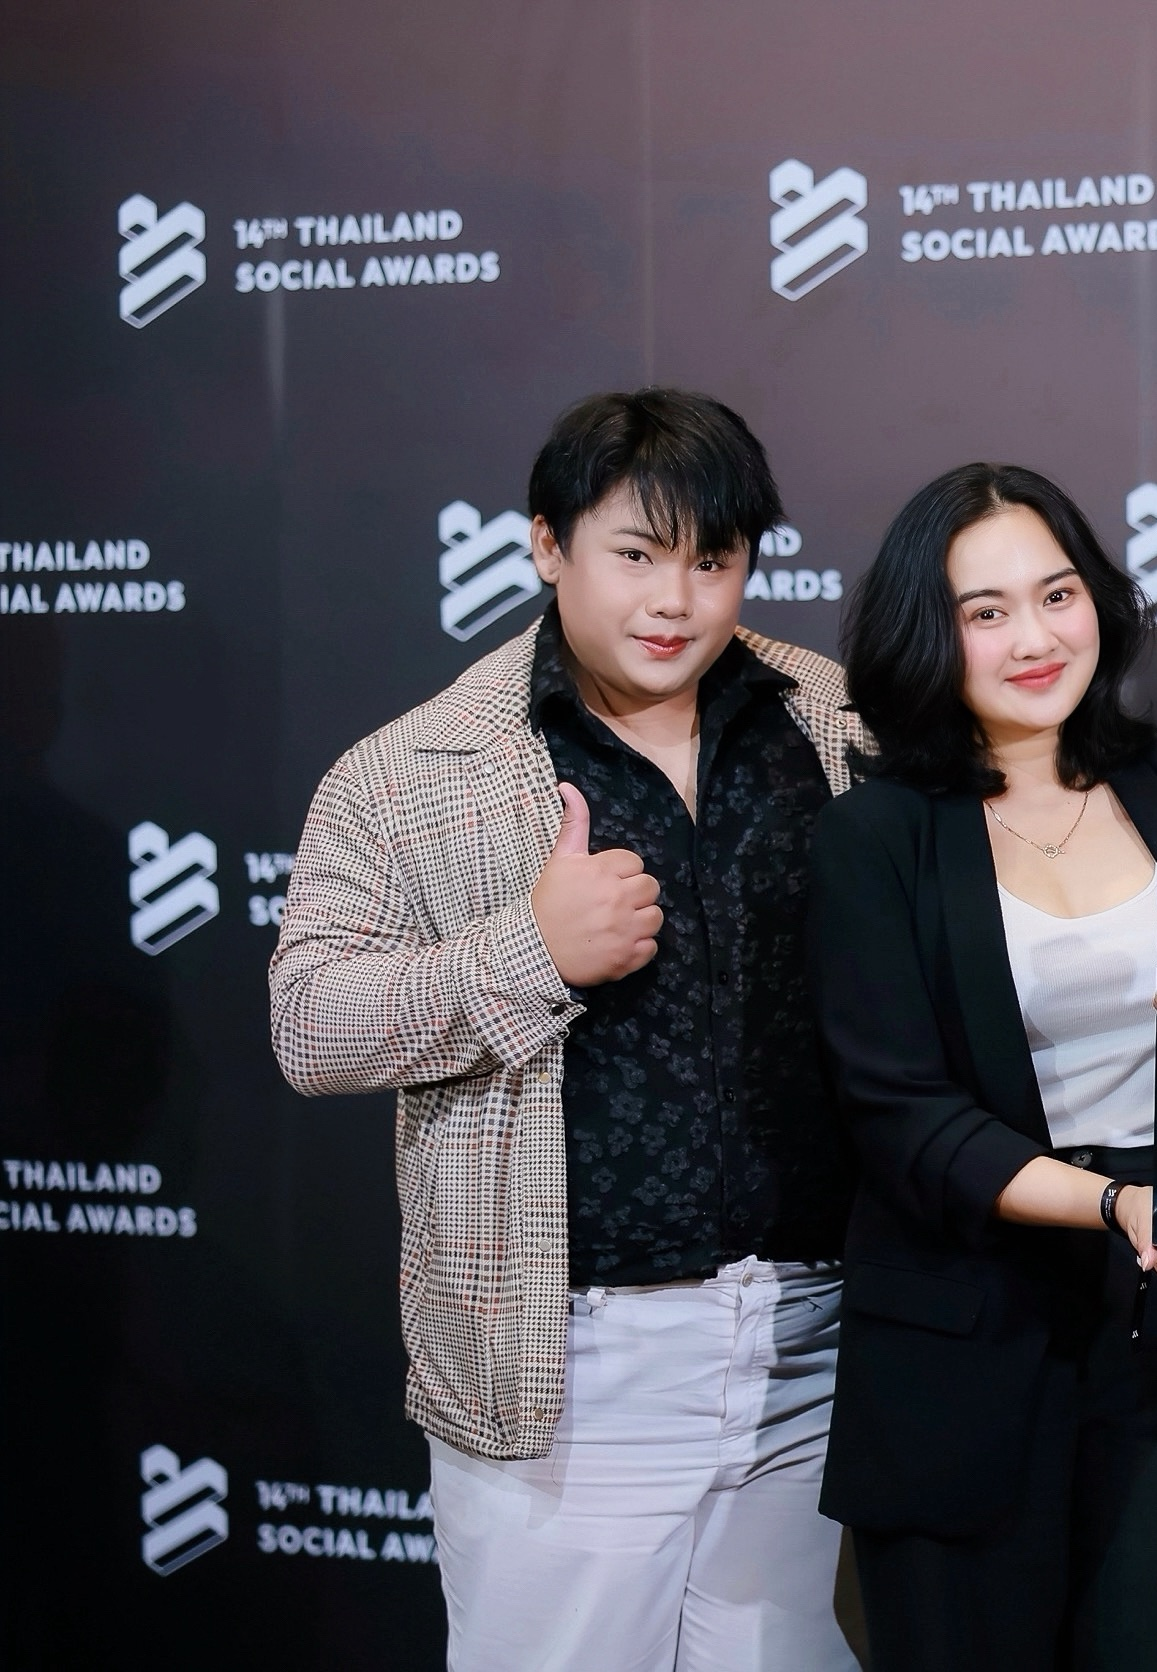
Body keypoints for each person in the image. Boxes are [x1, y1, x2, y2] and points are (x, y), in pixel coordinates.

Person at [270, 390, 865, 1671]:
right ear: (548, 545)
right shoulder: (413, 769)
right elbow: (311, 1024)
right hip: (569, 1368)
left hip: (816, 1351)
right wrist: (529, 953)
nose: (676, 601)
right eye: (636, 555)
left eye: (713, 560)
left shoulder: (837, 720)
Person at [806, 463, 1157, 1672]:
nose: (1035, 638)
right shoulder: (874, 833)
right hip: (962, 1348)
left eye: (1057, 594)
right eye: (985, 611)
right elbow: (902, 1117)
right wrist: (1116, 1203)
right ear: (927, 633)